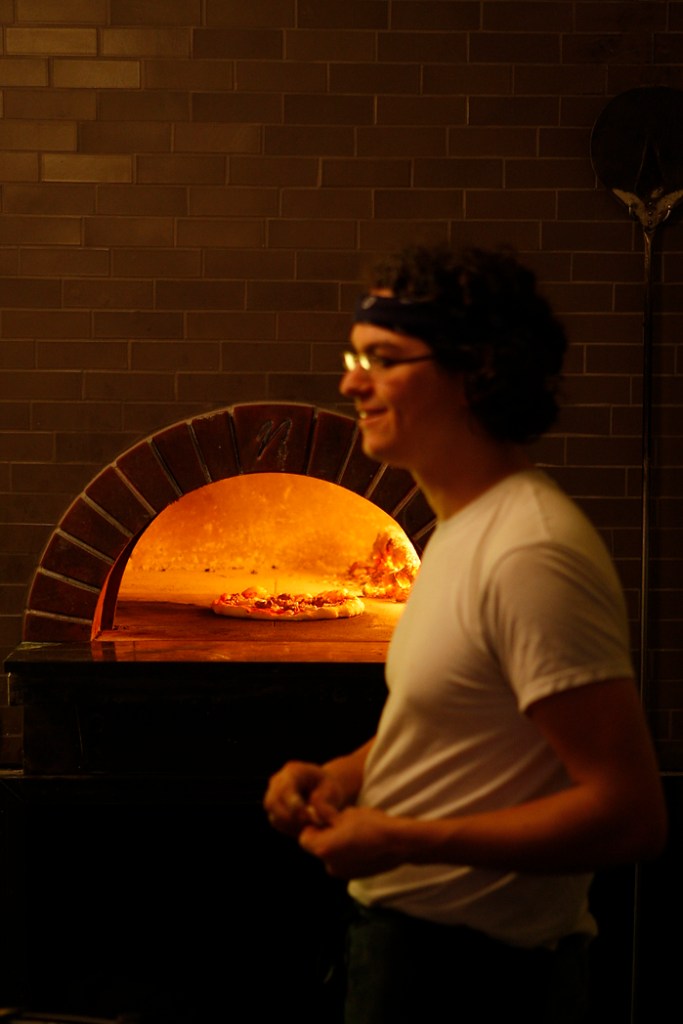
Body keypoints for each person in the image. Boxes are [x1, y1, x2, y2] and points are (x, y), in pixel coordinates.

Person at [263, 242, 667, 1023]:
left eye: (382, 358)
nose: (351, 381)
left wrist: (408, 838)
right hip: (409, 950)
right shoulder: (459, 529)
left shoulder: (530, 551)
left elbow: (628, 813)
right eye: (356, 356)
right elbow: (460, 723)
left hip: (482, 982)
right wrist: (344, 776)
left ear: (472, 369)